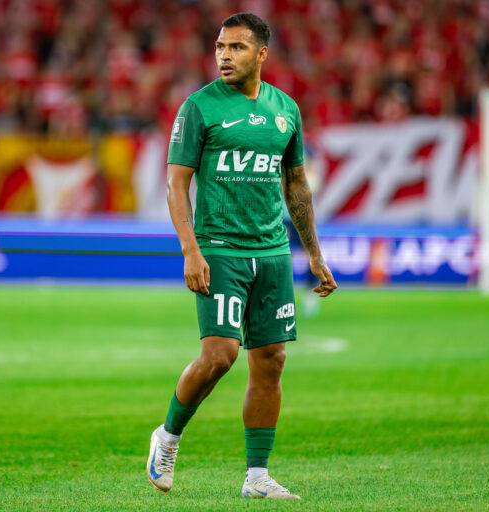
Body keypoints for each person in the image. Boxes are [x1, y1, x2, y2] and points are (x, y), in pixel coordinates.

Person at [147, 12, 337, 500]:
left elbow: (295, 183)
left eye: (235, 47)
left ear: (261, 54)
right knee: (220, 356)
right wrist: (190, 249)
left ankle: (257, 477)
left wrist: (313, 253)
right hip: (220, 248)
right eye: (219, 47)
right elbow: (175, 183)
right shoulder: (199, 108)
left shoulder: (285, 111)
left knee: (270, 360)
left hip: (272, 251)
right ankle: (167, 438)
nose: (224, 56)